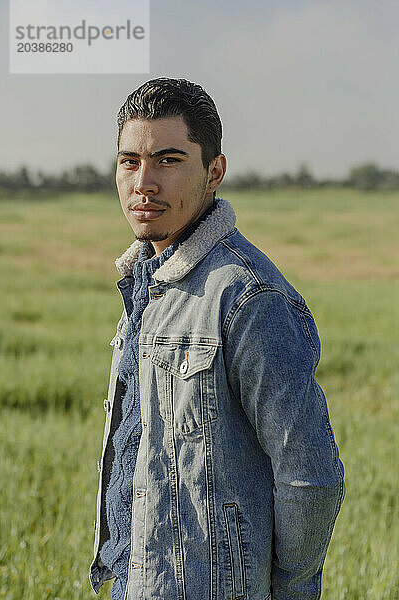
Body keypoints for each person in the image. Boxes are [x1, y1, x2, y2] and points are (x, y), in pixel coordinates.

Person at [89, 77, 345, 600]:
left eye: (168, 160)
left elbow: (310, 476)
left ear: (214, 172)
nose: (144, 183)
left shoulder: (248, 297)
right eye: (129, 161)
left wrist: (288, 590)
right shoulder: (145, 284)